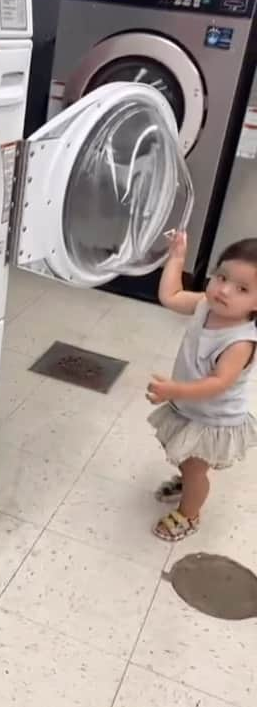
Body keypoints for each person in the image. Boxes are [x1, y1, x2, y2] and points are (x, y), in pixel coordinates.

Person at [147, 232, 257, 541]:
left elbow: (218, 384)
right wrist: (177, 258)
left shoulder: (240, 342)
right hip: (191, 405)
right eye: (221, 276)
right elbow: (170, 296)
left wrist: (175, 390)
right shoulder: (204, 305)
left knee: (195, 467)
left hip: (212, 419)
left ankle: (189, 514)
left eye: (242, 288)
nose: (223, 289)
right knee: (186, 459)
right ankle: (188, 484)